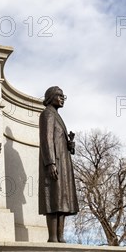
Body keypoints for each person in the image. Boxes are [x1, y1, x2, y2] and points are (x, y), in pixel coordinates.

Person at [38, 86, 79, 243]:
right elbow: (46, 140)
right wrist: (50, 163)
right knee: (54, 200)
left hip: (63, 163)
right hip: (55, 163)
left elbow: (57, 140)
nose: (62, 98)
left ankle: (60, 237)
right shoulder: (47, 114)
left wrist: (70, 144)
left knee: (63, 201)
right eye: (59, 95)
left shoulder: (57, 116)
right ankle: (53, 238)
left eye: (63, 96)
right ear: (50, 97)